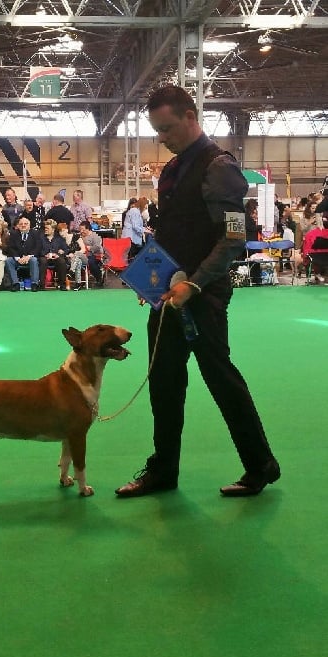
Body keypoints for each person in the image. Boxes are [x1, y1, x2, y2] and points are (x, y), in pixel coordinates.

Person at [115, 85, 280, 499]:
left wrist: (194, 283)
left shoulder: (219, 167)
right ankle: (163, 470)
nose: (162, 137)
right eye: (157, 130)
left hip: (203, 294)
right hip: (170, 294)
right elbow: (173, 231)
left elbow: (234, 239)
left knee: (220, 377)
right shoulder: (175, 168)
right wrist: (151, 278)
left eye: (167, 128)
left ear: (191, 117)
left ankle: (261, 466)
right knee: (164, 382)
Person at [5, 217, 40, 291]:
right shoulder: (14, 234)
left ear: (29, 226)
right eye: (21, 224)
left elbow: (38, 247)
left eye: (25, 224)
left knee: (34, 260)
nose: (23, 225)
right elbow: (11, 248)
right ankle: (15, 284)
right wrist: (18, 258)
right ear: (18, 225)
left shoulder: (35, 233)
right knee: (8, 260)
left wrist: (28, 256)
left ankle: (34, 284)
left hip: (30, 258)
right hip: (18, 258)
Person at [38, 219, 68, 291]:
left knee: (62, 261)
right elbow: (37, 250)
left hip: (56, 258)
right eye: (45, 228)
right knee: (43, 261)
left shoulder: (60, 239)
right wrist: (45, 254)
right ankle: (41, 285)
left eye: (47, 228)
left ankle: (62, 284)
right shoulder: (40, 238)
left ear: (53, 229)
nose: (45, 229)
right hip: (44, 258)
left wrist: (60, 253)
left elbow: (66, 249)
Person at [57, 222, 88, 290]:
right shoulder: (60, 241)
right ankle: (78, 283)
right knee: (78, 262)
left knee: (77, 255)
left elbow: (83, 249)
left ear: (67, 230)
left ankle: (71, 271)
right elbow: (62, 253)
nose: (61, 233)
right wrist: (67, 254)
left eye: (63, 231)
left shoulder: (76, 237)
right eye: (59, 231)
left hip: (83, 257)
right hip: (72, 260)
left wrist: (74, 254)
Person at [79, 222, 104, 286]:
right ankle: (79, 280)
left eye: (83, 229)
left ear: (88, 229)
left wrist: (90, 248)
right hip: (82, 254)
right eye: (80, 229)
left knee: (91, 262)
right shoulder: (79, 236)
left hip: (94, 255)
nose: (81, 231)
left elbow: (98, 247)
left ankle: (99, 278)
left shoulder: (95, 236)